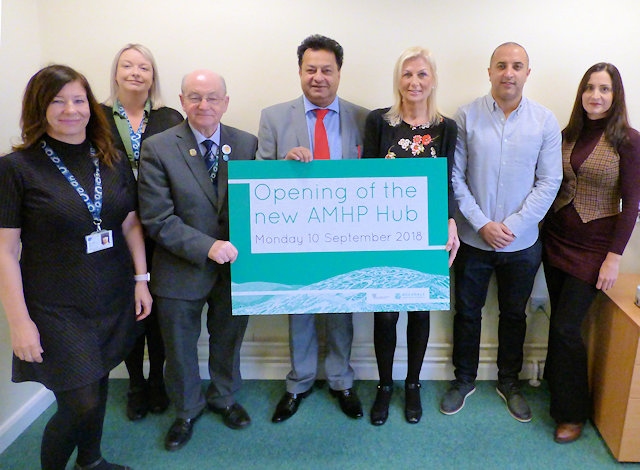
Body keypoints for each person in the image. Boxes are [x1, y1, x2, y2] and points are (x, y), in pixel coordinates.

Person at [0, 65, 152, 470]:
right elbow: (4, 251)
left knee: (99, 381)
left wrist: (142, 279)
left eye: (79, 99)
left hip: (111, 293)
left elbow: (130, 222)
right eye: (57, 100)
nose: (71, 109)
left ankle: (91, 460)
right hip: (56, 306)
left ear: (91, 105)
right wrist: (19, 323)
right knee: (79, 398)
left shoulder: (111, 158)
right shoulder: (16, 169)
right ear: (39, 108)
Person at [441, 42, 562, 422]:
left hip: (522, 243)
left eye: (517, 66)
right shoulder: (466, 117)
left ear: (528, 72)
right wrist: (482, 224)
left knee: (514, 314)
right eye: (501, 65)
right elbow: (455, 177)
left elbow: (549, 181)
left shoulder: (544, 121)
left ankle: (509, 381)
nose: (508, 72)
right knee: (467, 313)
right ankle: (463, 379)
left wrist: (509, 227)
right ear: (489, 71)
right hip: (473, 240)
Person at [138, 69, 257, 451]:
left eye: (211, 97)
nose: (203, 105)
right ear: (182, 100)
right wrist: (207, 246)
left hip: (234, 270)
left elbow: (261, 198)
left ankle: (224, 397)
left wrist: (288, 165)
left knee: (228, 341)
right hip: (179, 267)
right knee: (179, 347)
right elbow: (157, 218)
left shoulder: (247, 143)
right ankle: (186, 410)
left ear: (225, 101)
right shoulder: (157, 147)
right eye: (194, 97)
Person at [256, 34, 369, 423]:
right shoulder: (273, 117)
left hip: (346, 234)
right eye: (311, 70)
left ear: (339, 73)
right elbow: (259, 181)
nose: (318, 78)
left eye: (327, 70)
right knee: (299, 308)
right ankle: (299, 382)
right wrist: (283, 165)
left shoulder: (363, 117)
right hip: (295, 235)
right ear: (300, 71)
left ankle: (341, 379)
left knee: (342, 309)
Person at [541, 63, 640, 443]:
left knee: (568, 328)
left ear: (616, 97)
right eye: (590, 88)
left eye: (605, 89)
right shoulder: (568, 134)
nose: (595, 96)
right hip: (556, 239)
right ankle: (557, 392)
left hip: (595, 247)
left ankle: (573, 414)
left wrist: (614, 256)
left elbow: (631, 204)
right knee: (557, 324)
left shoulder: (628, 141)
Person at [362, 46, 459, 426]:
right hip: (384, 233)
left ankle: (413, 384)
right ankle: (385, 385)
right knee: (385, 315)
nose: (414, 82)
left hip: (430, 231)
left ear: (432, 80)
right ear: (397, 80)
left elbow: (450, 179)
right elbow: (365, 176)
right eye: (407, 74)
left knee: (420, 310)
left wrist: (451, 221)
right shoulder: (379, 122)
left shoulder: (446, 127)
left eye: (422, 74)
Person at [102, 43, 183, 422]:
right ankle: (135, 381)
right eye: (127, 65)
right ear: (116, 74)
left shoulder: (169, 118)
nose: (136, 72)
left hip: (161, 228)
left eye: (144, 67)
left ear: (153, 77)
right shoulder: (95, 118)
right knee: (130, 309)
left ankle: (157, 380)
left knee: (161, 308)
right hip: (114, 231)